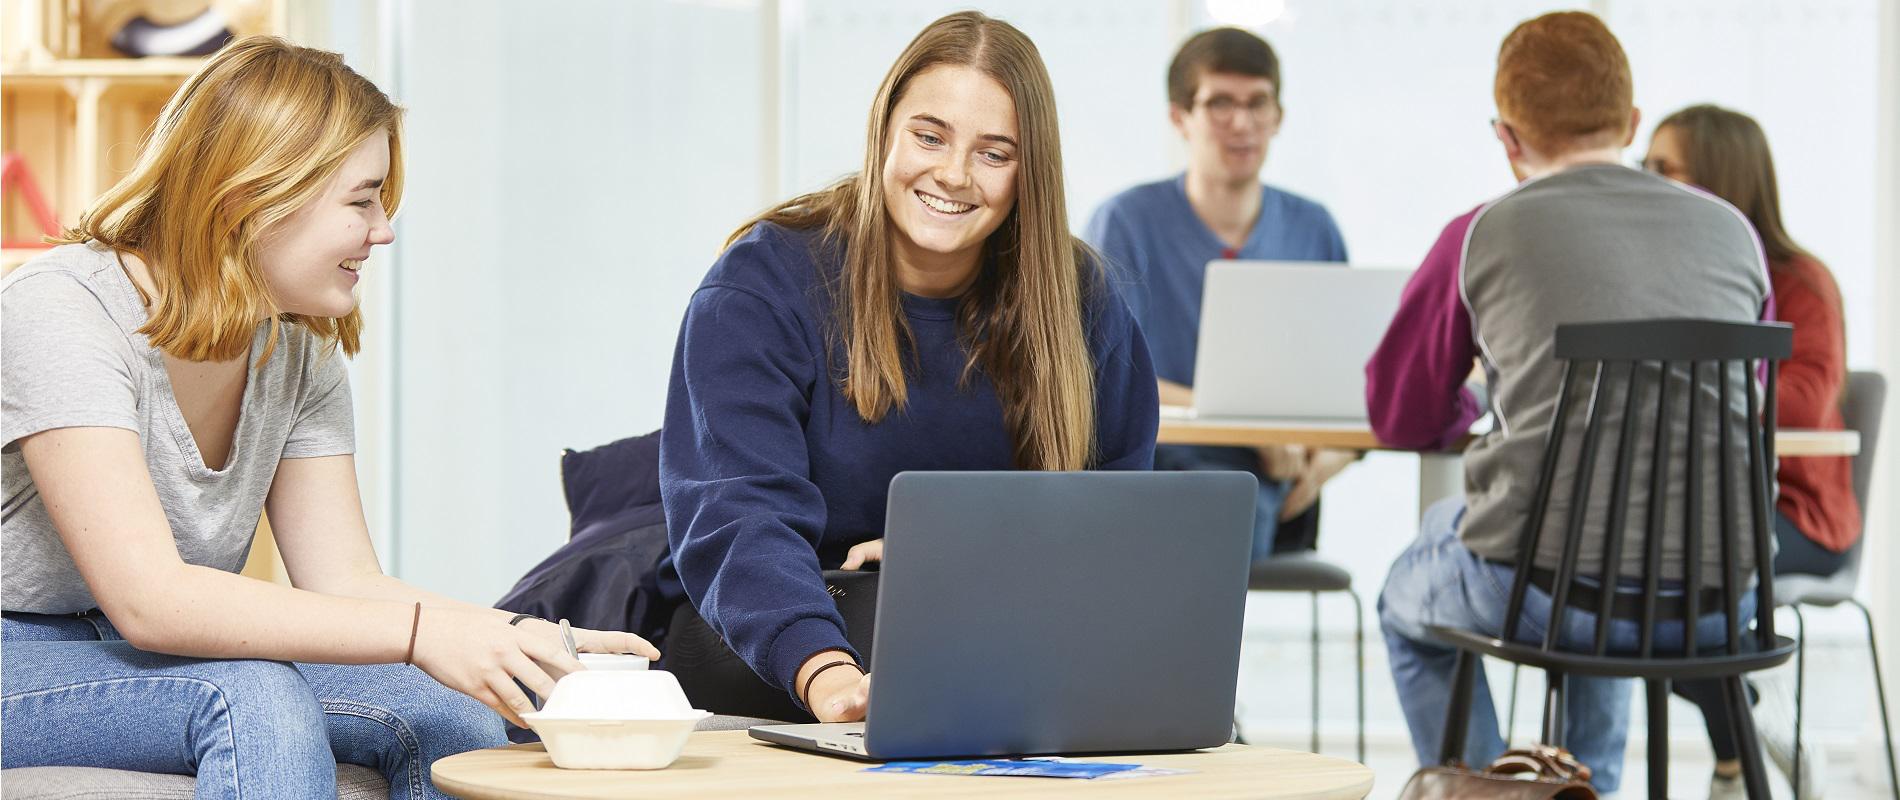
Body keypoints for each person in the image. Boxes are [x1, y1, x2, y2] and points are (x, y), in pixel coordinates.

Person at [0, 37, 657, 799]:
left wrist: (518, 639)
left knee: (446, 711)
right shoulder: (60, 310)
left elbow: (344, 580)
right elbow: (150, 597)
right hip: (18, 654)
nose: (384, 231)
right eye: (362, 200)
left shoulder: (297, 351)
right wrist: (421, 634)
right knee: (251, 698)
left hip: (138, 658)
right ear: (252, 197)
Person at [656, 11, 1159, 723]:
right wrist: (829, 678)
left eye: (995, 153)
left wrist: (949, 555)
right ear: (885, 129)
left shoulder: (1082, 301)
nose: (953, 174)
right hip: (783, 630)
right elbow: (738, 514)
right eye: (930, 136)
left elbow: (1113, 520)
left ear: (1030, 170)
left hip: (994, 626)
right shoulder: (761, 284)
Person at [1365, 13, 1772, 793]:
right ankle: (1588, 790)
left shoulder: (1481, 232)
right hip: (1724, 598)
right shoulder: (1734, 234)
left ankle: (1495, 790)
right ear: (1629, 121)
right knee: (1615, 539)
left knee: (1406, 592)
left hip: (1550, 593)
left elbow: (1400, 412)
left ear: (1507, 138)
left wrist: (1478, 402)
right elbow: (1740, 410)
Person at [1647, 103, 1854, 800]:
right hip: (1703, 504)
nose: (1646, 182)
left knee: (1690, 580)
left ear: (1718, 177)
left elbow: (1805, 397)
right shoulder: (1671, 279)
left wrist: (1694, 389)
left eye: (1663, 168)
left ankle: (1738, 763)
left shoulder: (1802, 282)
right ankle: (1749, 744)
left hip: (1797, 517)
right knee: (1634, 575)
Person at [1085, 27, 1353, 559]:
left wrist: (1327, 461)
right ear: (1179, 118)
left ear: (1279, 116)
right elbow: (1099, 372)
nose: (1242, 122)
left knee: (1227, 513)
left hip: (1263, 482)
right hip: (1152, 466)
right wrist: (1252, 428)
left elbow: (1346, 382)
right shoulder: (1125, 223)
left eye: (1258, 103)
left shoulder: (1312, 227)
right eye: (1220, 104)